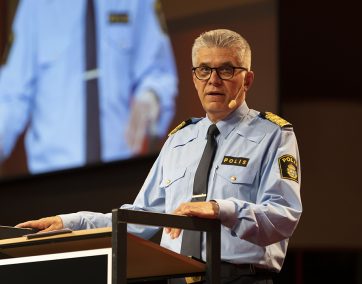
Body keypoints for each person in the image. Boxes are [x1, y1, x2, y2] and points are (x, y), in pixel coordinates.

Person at [17, 29, 302, 283]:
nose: (213, 80)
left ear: (247, 79)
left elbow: (283, 216)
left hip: (238, 278)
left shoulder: (273, 135)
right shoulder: (179, 140)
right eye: (204, 70)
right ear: (194, 78)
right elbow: (142, 219)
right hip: (175, 277)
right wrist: (72, 223)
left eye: (226, 70)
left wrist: (220, 209)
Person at [0, 0, 177, 174]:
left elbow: (158, 73)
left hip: (120, 174)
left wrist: (151, 96)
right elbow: (10, 96)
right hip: (51, 180)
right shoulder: (34, 5)